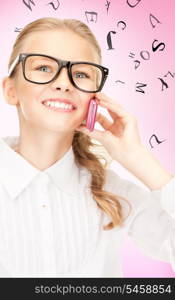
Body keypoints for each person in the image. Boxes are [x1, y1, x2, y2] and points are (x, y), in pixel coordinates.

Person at [0, 16, 175, 278]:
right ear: (11, 90)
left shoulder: (114, 193)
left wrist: (138, 159)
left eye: (80, 74)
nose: (63, 82)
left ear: (95, 99)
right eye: (44, 68)